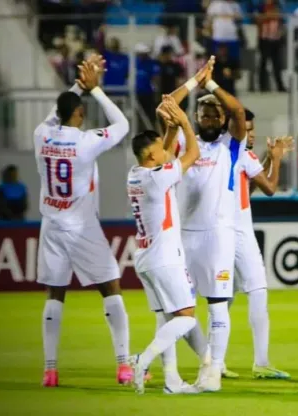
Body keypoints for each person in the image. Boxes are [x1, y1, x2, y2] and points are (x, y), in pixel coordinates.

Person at [34, 55, 131, 387]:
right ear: (79, 113)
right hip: (82, 225)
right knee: (110, 287)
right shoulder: (86, 142)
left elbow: (55, 113)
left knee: (55, 294)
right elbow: (123, 126)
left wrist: (78, 87)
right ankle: (123, 365)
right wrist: (97, 90)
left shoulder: (41, 135)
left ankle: (50, 370)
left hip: (51, 224)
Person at [162, 55, 247, 392]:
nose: (209, 117)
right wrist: (194, 83)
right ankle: (207, 360)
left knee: (217, 306)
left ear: (222, 119)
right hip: (184, 236)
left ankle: (213, 372)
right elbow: (165, 107)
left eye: (215, 113)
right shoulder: (185, 142)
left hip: (218, 236)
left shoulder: (231, 146)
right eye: (204, 112)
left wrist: (211, 84)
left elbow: (239, 113)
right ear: (195, 117)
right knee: (178, 310)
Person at [127, 97, 210, 395]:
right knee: (186, 317)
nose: (167, 151)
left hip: (145, 258)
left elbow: (166, 154)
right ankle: (142, 359)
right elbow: (193, 152)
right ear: (151, 156)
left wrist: (170, 129)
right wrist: (187, 124)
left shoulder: (136, 174)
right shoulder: (156, 179)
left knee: (167, 318)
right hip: (164, 257)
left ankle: (172, 381)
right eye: (161, 148)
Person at [222, 109, 292, 380]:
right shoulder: (243, 153)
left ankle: (214, 361)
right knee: (258, 291)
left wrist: (264, 158)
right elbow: (270, 188)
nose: (251, 135)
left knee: (223, 299)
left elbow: (246, 187)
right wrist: (276, 160)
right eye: (247, 130)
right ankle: (261, 362)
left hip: (220, 232)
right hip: (240, 233)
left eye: (252, 130)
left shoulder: (222, 152)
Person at [256, 0, 286, 92]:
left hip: (275, 39)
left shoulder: (278, 5)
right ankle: (262, 87)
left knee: (277, 64)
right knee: (263, 63)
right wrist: (268, 15)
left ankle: (280, 86)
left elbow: (281, 19)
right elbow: (258, 19)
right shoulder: (261, 6)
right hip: (264, 39)